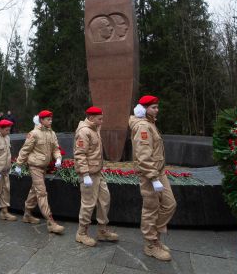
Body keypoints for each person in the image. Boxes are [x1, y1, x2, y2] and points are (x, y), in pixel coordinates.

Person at [129, 95, 176, 262]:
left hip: (158, 172)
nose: (157, 110)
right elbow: (143, 156)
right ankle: (150, 245)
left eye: (157, 107)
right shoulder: (143, 126)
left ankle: (154, 237)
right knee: (151, 209)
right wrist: (153, 177)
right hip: (150, 175)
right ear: (144, 109)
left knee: (170, 204)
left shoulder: (150, 123)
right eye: (153, 107)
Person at [74, 106, 118, 247]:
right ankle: (81, 233)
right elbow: (80, 154)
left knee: (104, 200)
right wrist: (85, 174)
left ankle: (102, 231)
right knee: (88, 204)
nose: (102, 121)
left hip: (97, 172)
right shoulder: (84, 131)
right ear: (91, 118)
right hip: (88, 174)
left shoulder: (95, 128)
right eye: (100, 119)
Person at [14, 110, 64, 234]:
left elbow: (56, 148)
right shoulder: (34, 133)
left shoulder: (52, 133)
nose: (50, 121)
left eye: (51, 119)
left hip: (44, 167)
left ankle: (27, 214)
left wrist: (58, 158)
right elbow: (25, 150)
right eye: (48, 119)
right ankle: (50, 222)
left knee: (34, 190)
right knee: (41, 192)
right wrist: (19, 164)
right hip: (35, 166)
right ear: (41, 120)